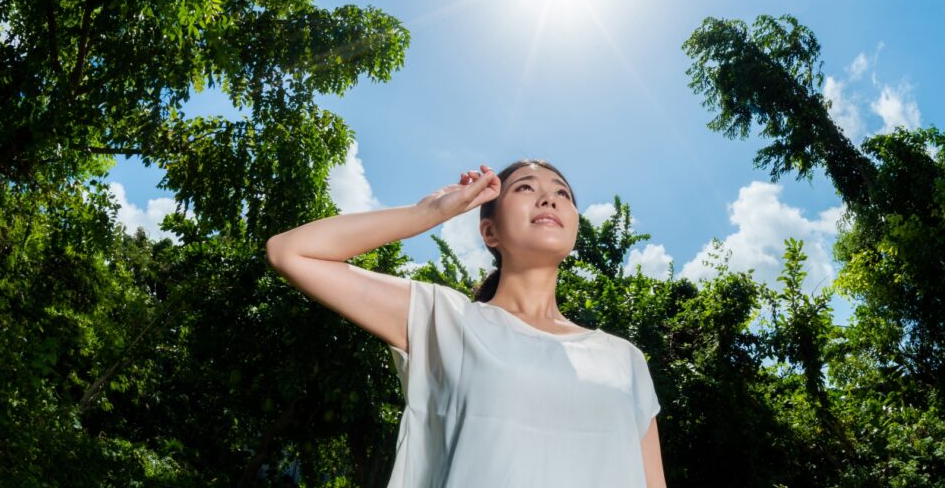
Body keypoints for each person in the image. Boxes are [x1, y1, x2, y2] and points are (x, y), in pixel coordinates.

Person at [266, 159, 666, 488]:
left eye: (562, 192)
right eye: (525, 188)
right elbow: (291, 252)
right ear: (488, 231)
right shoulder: (443, 320)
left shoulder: (625, 360)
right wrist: (430, 213)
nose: (549, 197)